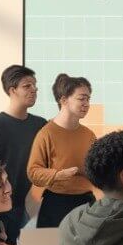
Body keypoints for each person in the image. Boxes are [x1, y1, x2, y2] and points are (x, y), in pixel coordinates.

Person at [0, 65, 46, 245]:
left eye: (35, 85)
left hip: (37, 206)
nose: (34, 90)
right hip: (5, 209)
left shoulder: (41, 125)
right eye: (27, 86)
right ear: (12, 90)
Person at [27, 74, 97, 229]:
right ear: (64, 100)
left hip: (86, 204)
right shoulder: (46, 134)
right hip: (56, 205)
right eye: (82, 98)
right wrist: (58, 175)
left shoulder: (89, 135)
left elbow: (98, 168)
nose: (86, 104)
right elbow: (33, 172)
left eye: (88, 99)